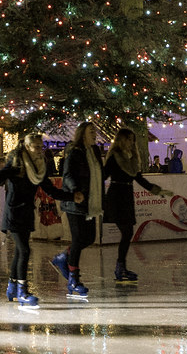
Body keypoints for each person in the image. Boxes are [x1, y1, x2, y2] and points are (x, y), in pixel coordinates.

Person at [0, 134, 80, 308]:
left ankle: (12, 286)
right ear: (26, 147)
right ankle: (22, 291)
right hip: (14, 213)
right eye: (36, 147)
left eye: (41, 146)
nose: (40, 150)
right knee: (24, 250)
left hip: (27, 213)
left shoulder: (39, 168)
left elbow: (50, 190)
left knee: (20, 251)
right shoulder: (17, 165)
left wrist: (71, 196)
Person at [102, 128, 171, 281]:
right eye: (128, 139)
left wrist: (156, 189)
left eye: (132, 139)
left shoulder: (132, 159)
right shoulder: (115, 157)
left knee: (128, 233)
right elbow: (103, 175)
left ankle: (121, 267)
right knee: (126, 232)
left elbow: (139, 179)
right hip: (116, 196)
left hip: (127, 196)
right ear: (121, 140)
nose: (131, 142)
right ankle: (120, 267)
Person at [50, 122, 103, 298]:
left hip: (90, 202)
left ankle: (62, 258)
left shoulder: (94, 152)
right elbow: (68, 175)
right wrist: (75, 191)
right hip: (75, 202)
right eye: (91, 131)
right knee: (79, 239)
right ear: (82, 134)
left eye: (95, 131)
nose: (94, 134)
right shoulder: (74, 152)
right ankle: (74, 280)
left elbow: (100, 174)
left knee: (89, 238)